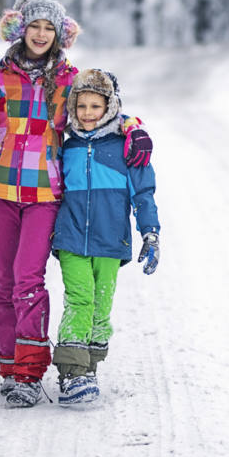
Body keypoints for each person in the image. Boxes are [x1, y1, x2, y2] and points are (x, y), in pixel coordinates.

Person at [0, 0, 154, 409]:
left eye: (50, 28)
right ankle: (9, 366)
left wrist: (134, 127)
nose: (41, 34)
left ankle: (30, 371)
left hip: (45, 195)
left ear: (60, 34)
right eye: (35, 25)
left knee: (27, 280)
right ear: (20, 28)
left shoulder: (69, 79)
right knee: (3, 284)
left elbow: (103, 105)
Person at [50, 68, 160, 406]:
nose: (87, 114)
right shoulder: (65, 147)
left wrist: (151, 233)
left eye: (95, 106)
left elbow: (144, 194)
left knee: (101, 307)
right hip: (71, 240)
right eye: (81, 106)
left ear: (110, 107)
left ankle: (90, 365)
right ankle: (71, 372)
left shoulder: (127, 148)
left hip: (111, 241)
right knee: (79, 300)